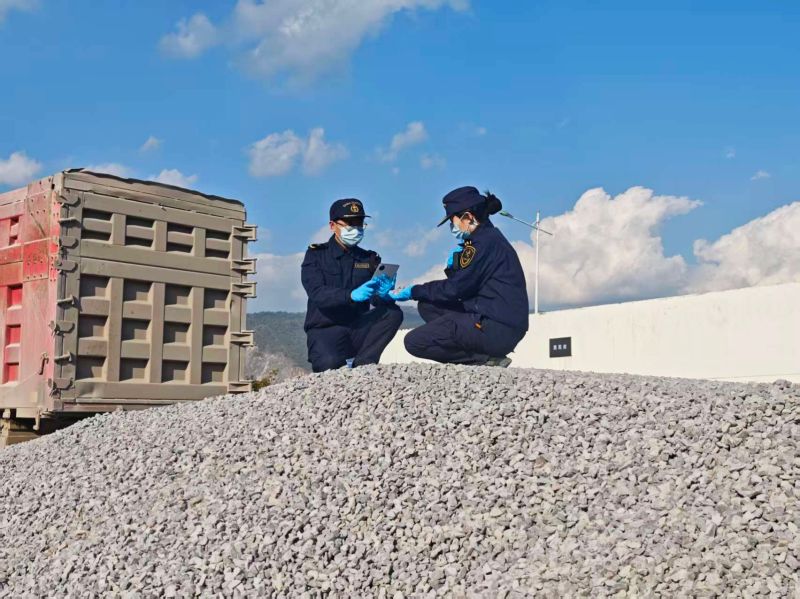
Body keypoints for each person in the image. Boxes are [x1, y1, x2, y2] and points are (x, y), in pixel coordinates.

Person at [390, 186, 529, 366]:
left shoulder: (482, 244)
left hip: (496, 327)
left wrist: (413, 291)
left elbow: (456, 288)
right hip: (497, 322)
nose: (452, 227)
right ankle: (480, 353)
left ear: (468, 217)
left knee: (414, 342)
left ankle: (483, 360)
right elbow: (465, 284)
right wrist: (454, 266)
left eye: (453, 221)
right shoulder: (487, 239)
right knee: (428, 305)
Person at [301, 198, 403, 372]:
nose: (356, 229)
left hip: (358, 326)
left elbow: (376, 300)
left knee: (392, 314)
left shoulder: (369, 258)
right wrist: (350, 295)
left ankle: (364, 364)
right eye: (349, 224)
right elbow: (317, 292)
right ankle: (337, 361)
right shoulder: (316, 255)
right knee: (329, 365)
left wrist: (385, 295)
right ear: (333, 226)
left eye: (360, 223)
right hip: (326, 328)